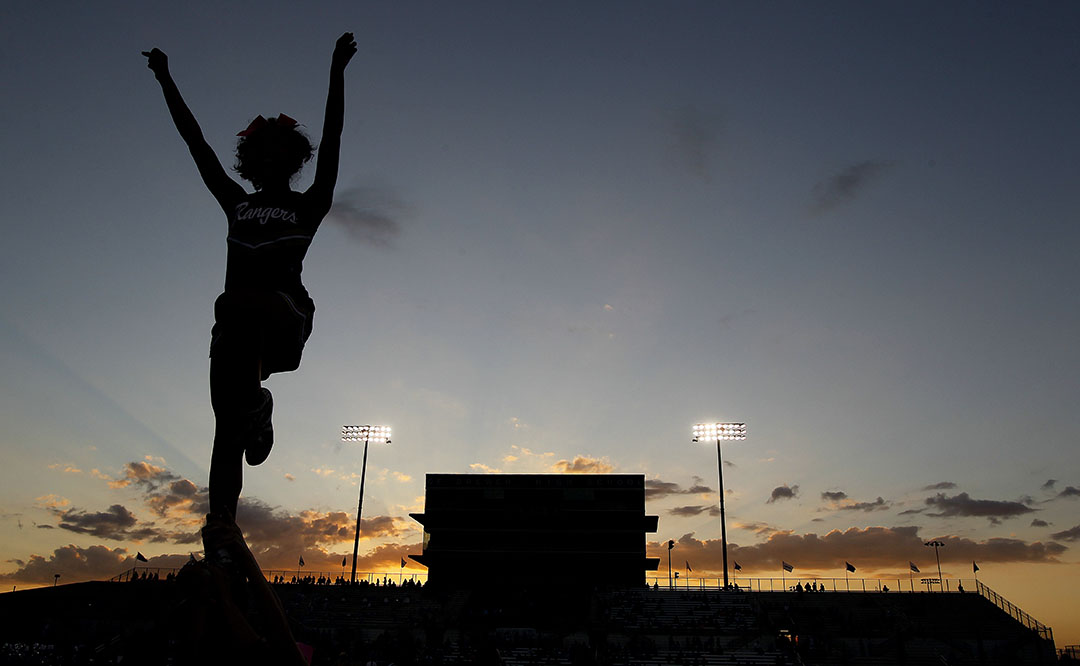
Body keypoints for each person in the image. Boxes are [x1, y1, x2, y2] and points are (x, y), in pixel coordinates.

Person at [143, 33, 357, 521]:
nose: (269, 159)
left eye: (279, 152)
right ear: (251, 161)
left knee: (233, 301)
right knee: (228, 431)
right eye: (261, 152)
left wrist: (337, 71)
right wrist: (165, 80)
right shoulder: (235, 202)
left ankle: (257, 405)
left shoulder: (309, 204)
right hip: (236, 330)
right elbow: (194, 143)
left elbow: (335, 137)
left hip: (285, 316)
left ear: (292, 159)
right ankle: (220, 530)